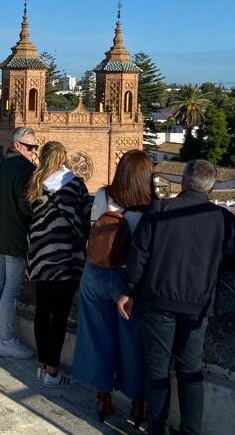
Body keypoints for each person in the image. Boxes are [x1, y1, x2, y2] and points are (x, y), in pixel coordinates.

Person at [120, 159, 235, 435]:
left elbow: (138, 255)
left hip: (158, 301)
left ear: (183, 181)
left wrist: (128, 291)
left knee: (157, 370)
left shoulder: (160, 209)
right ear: (211, 187)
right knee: (190, 371)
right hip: (197, 306)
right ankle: (191, 431)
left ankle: (157, 429)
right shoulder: (222, 219)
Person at [72, 149, 154, 425]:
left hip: (95, 272)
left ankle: (102, 397)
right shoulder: (150, 208)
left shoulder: (104, 196)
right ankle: (138, 403)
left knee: (97, 335)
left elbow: (93, 227)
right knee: (133, 341)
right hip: (128, 280)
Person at [25, 141, 93, 386]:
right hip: (66, 258)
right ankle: (52, 370)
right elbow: (86, 217)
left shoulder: (35, 183)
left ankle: (42, 365)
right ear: (63, 158)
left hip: (40, 256)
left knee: (42, 311)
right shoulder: (74, 184)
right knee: (60, 315)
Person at [0, 127, 39, 360]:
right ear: (18, 145)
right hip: (15, 236)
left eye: (36, 147)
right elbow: (28, 206)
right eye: (31, 147)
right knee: (10, 289)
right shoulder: (27, 170)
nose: (34, 152)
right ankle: (6, 340)